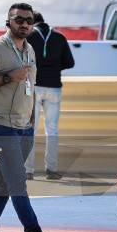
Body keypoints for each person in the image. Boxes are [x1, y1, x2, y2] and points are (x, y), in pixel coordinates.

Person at [0, 2, 57, 232]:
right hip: (0, 125)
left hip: (24, 127)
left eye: (29, 20)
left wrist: (31, 119)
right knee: (17, 180)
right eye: (19, 19)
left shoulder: (30, 49)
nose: (25, 24)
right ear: (8, 21)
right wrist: (9, 77)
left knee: (5, 183)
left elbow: (30, 85)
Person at [24, 11, 74, 180]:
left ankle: (28, 171)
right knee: (52, 130)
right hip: (54, 87)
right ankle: (51, 170)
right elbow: (70, 62)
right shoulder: (59, 37)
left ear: (33, 23)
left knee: (30, 129)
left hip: (34, 87)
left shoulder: (29, 37)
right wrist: (54, 67)